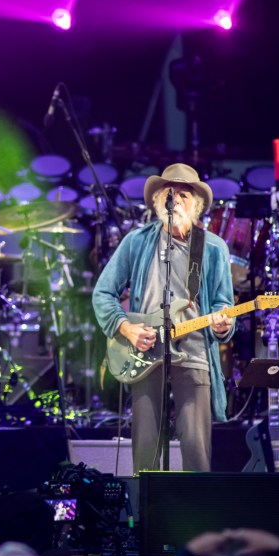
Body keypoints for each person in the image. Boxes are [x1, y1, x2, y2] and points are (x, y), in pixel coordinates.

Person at [92, 163, 235, 472]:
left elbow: (224, 305)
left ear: (196, 205)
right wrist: (126, 328)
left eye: (184, 194)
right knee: (145, 450)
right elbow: (102, 293)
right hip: (144, 354)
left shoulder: (212, 248)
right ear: (158, 201)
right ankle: (146, 516)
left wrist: (225, 324)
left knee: (196, 449)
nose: (176, 199)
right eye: (170, 193)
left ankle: (196, 518)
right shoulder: (137, 241)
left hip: (194, 352)